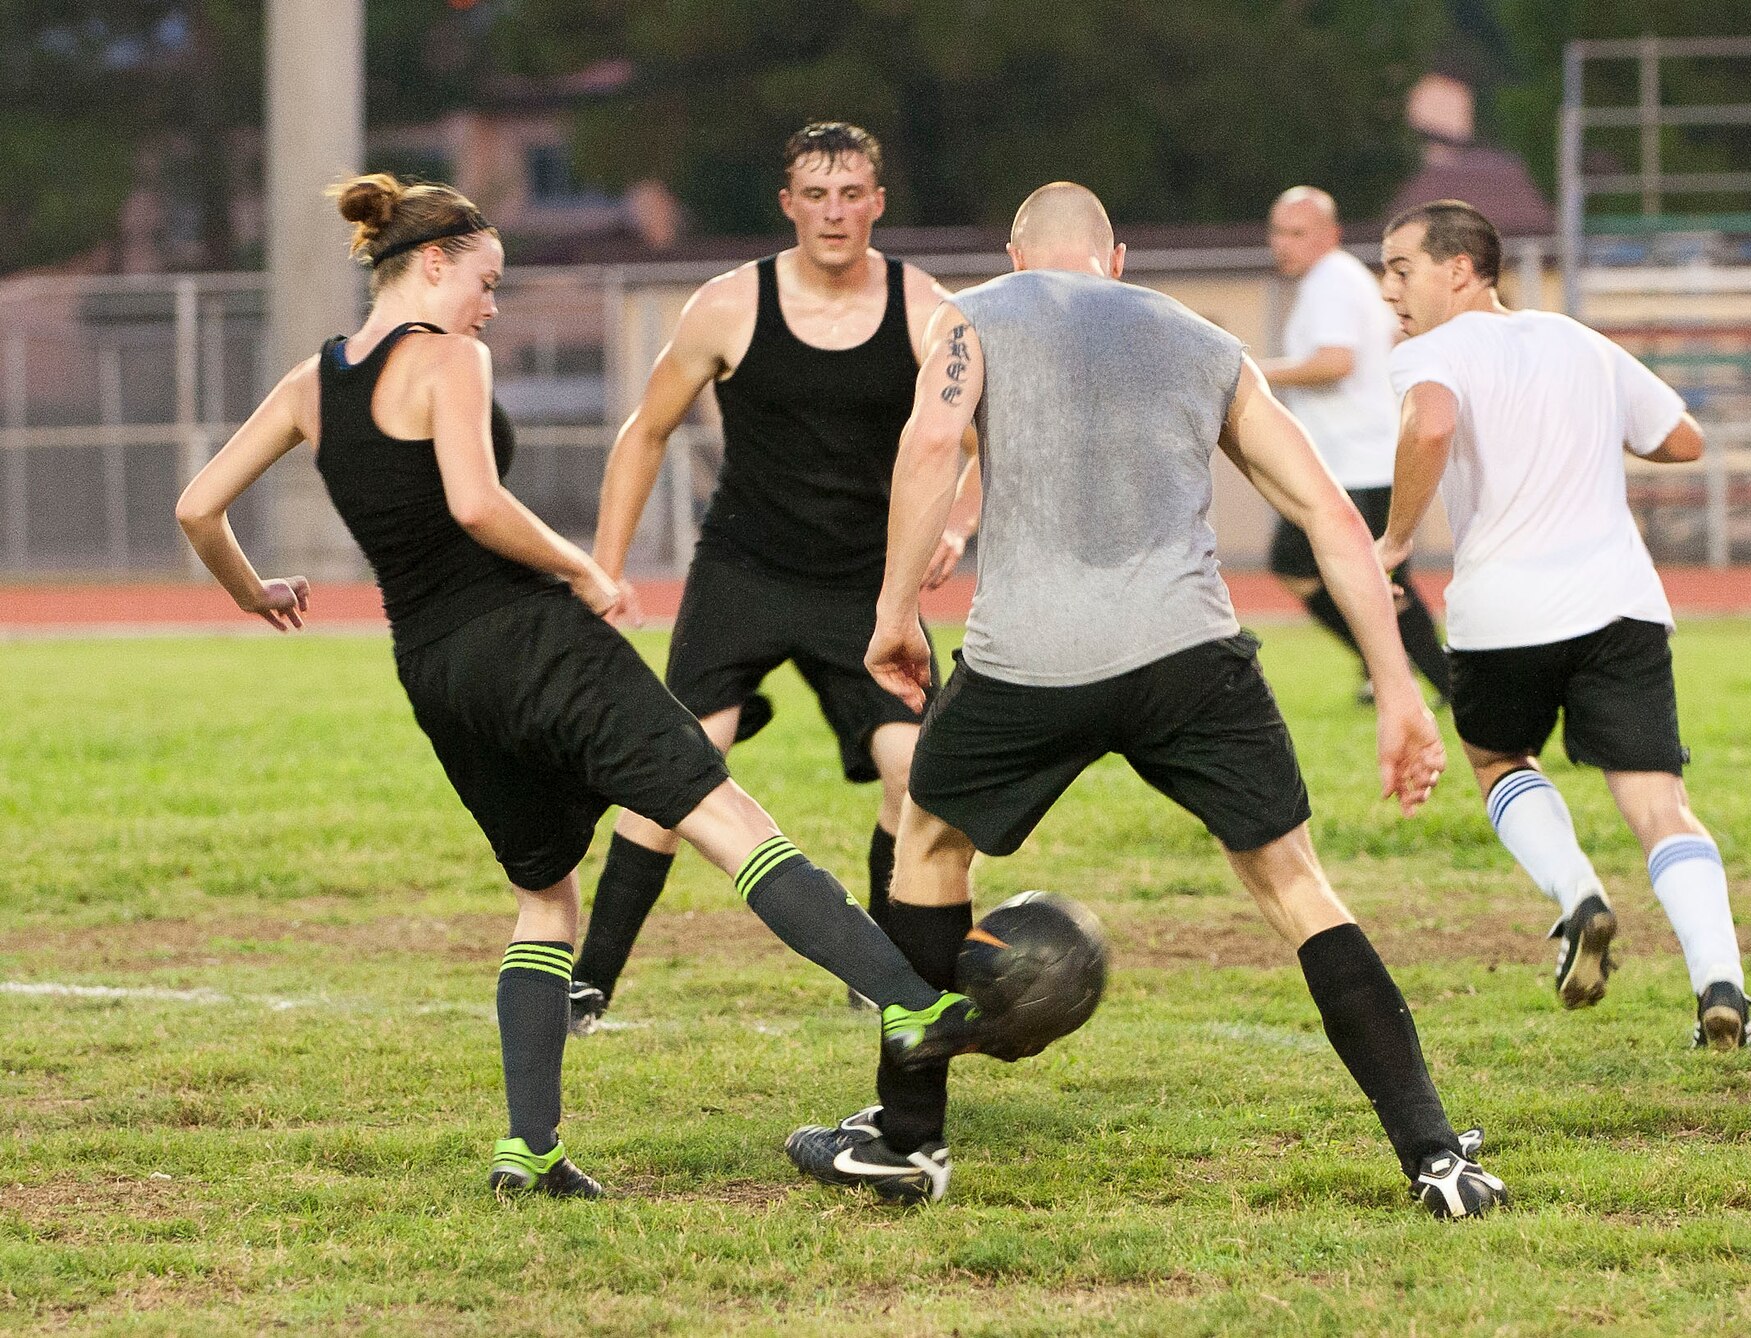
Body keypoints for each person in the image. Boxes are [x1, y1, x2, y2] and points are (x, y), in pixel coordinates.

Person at [173, 174, 987, 1200]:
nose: (491, 305)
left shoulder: (308, 384)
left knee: (541, 896)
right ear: (432, 263)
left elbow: (197, 505)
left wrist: (254, 593)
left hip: (434, 670)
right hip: (530, 640)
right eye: (486, 280)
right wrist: (584, 568)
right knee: (719, 808)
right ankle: (909, 1003)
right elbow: (476, 503)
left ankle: (532, 1150)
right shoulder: (447, 357)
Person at [783, 183, 1508, 1218]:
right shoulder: (1203, 339)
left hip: (1029, 659)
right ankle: (1434, 1157)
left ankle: (908, 1140)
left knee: (931, 847)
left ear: (1013, 252)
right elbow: (1330, 516)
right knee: (1295, 886)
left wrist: (895, 612)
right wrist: (1398, 689)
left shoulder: (970, 314)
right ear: (1115, 258)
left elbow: (930, 448)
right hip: (1186, 656)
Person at [570, 121, 980, 1032]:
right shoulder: (725, 306)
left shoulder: (927, 311)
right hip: (744, 572)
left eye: (852, 195)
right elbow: (644, 433)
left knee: (918, 771)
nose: (835, 213)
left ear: (878, 202)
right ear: (788, 204)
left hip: (866, 586)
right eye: (816, 195)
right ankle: (588, 981)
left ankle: (886, 967)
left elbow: (984, 433)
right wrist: (603, 570)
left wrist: (959, 522)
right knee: (679, 768)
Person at [1374, 199, 1751, 1050]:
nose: (1388, 289)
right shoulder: (1581, 342)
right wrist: (1582, 430)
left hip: (1504, 609)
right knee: (1662, 807)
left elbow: (1433, 422)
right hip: (1620, 603)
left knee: (1496, 758)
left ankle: (1579, 896)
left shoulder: (1431, 353)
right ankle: (1720, 982)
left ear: (1460, 270)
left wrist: (1395, 541)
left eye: (1402, 268)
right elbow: (1684, 439)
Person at [1261, 186, 1449, 704]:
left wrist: (1253, 372)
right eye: (1278, 231)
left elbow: (1335, 362)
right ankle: (1410, 674)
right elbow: (1390, 340)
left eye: (1298, 233)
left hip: (1355, 463)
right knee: (1373, 584)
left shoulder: (1329, 282)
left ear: (1330, 234)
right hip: (1360, 458)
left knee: (1355, 580)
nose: (1284, 244)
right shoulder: (1348, 277)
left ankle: (1432, 680)